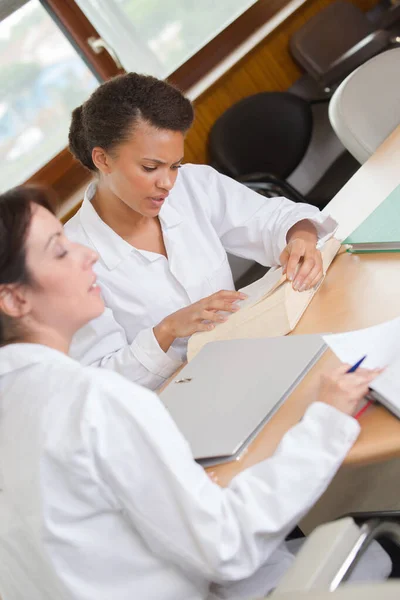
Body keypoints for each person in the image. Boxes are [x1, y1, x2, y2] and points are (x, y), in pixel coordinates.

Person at [0, 187, 390, 600]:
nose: (86, 255)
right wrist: (325, 422)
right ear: (13, 297)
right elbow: (227, 547)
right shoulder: (93, 403)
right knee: (373, 552)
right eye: (59, 251)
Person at [65, 72, 338, 390]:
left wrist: (300, 237)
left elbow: (273, 218)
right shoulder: (69, 261)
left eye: (174, 166)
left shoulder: (192, 185)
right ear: (102, 159)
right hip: (180, 400)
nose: (167, 182)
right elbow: (100, 382)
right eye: (150, 168)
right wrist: (167, 330)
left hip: (249, 359)